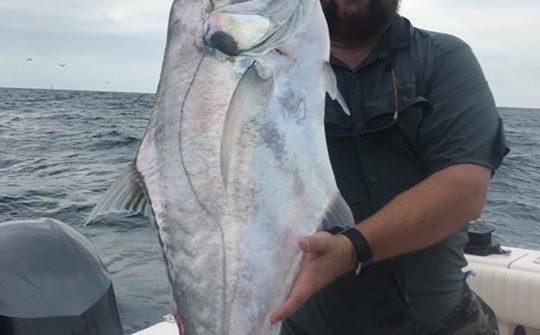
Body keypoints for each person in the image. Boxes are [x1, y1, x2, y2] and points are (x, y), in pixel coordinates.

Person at [270, 0, 509, 334]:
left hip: (439, 326)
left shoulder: (443, 58)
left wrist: (349, 249)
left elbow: (466, 187)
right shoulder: (269, 71)